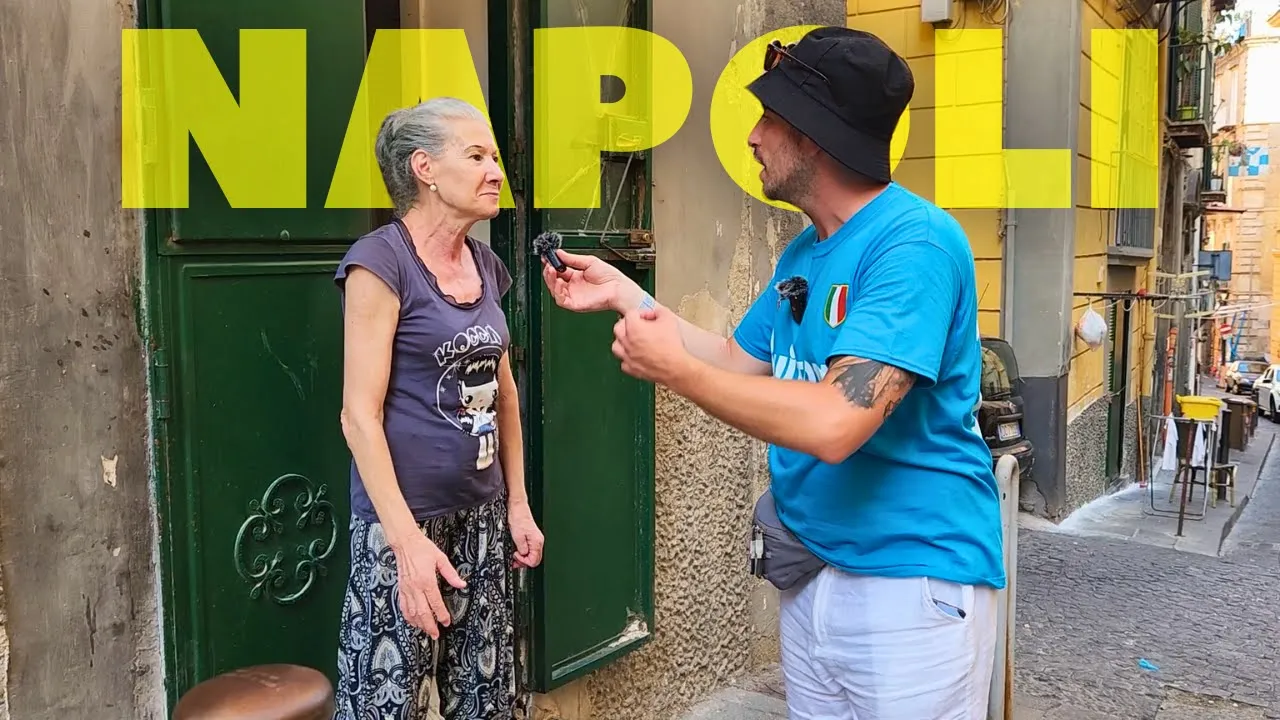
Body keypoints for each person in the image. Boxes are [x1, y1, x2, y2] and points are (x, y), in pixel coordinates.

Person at [540, 27, 1005, 720]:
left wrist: (675, 372)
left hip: (910, 589)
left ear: (816, 135)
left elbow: (837, 421)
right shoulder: (805, 253)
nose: (753, 137)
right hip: (812, 573)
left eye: (769, 118)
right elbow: (733, 359)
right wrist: (626, 295)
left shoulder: (916, 244)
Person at [333, 97, 544, 720]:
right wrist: (405, 545)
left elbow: (504, 393)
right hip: (402, 524)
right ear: (424, 168)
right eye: (476, 156)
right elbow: (358, 417)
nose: (495, 172)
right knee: (385, 703)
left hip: (480, 515)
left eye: (494, 158)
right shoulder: (381, 262)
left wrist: (517, 503)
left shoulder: (485, 264)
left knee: (484, 698)